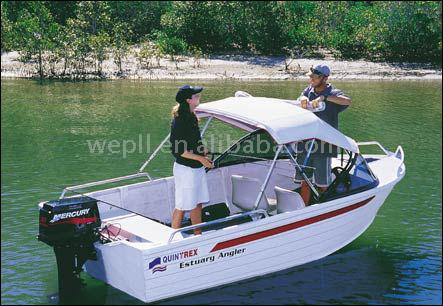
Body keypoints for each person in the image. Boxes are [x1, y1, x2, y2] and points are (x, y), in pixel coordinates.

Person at [295, 64, 352, 204]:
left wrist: (324, 98)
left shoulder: (333, 92)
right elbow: (301, 97)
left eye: (314, 77)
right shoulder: (309, 90)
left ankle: (325, 207)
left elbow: (347, 101)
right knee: (304, 182)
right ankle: (303, 210)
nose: (311, 79)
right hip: (305, 144)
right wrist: (302, 98)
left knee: (322, 184)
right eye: (310, 76)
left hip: (324, 146)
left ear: (324, 78)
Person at [169, 85, 213, 235]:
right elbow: (180, 151)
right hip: (186, 170)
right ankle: (172, 239)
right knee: (181, 204)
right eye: (196, 95)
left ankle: (197, 236)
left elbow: (194, 142)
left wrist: (204, 151)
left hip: (196, 168)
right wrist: (202, 159)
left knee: (197, 203)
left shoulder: (192, 117)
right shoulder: (180, 121)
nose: (199, 97)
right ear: (188, 100)